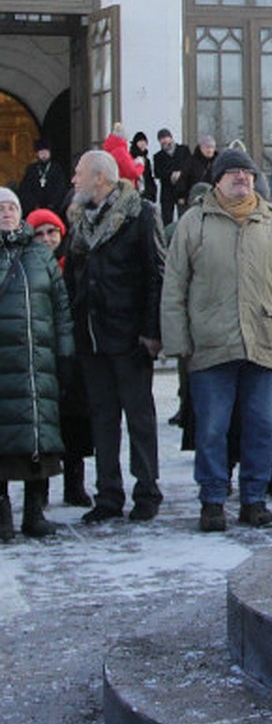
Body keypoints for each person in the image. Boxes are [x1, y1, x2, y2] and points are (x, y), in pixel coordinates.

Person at [161, 148, 272, 532]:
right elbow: (174, 285)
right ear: (217, 180)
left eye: (247, 173)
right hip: (211, 342)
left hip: (263, 339)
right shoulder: (194, 223)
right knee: (212, 427)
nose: (242, 178)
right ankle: (212, 500)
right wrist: (178, 340)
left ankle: (254, 499)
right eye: (233, 173)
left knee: (261, 425)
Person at [65, 150, 165, 524]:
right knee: (102, 418)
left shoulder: (140, 214)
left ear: (99, 178)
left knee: (139, 416)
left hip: (130, 336)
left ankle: (147, 491)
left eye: (78, 173)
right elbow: (73, 277)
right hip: (91, 337)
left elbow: (156, 274)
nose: (73, 180)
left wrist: (152, 331)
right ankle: (108, 494)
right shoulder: (78, 219)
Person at [0, 188, 73, 540]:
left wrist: (65, 353)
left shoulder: (39, 256)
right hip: (3, 362)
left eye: (12, 207)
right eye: (0, 209)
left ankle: (34, 513)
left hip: (37, 360)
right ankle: (2, 517)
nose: (6, 213)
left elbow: (61, 308)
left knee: (37, 437)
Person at [26, 208, 92, 507]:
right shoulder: (26, 266)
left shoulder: (74, 263)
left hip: (73, 354)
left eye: (51, 232)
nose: (46, 239)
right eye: (39, 233)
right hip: (39, 354)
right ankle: (39, 491)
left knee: (75, 422)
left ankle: (74, 484)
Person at [17, 138, 69, 218]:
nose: (44, 155)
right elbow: (25, 189)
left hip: (53, 209)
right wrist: (34, 205)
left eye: (46, 152)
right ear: (37, 154)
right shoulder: (31, 169)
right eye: (41, 152)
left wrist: (52, 205)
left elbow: (60, 188)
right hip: (34, 209)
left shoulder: (56, 168)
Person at [152, 128, 190, 227]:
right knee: (167, 221)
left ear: (171, 138)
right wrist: (171, 174)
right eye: (161, 139)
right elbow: (157, 173)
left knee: (185, 220)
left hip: (182, 190)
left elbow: (190, 166)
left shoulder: (183, 150)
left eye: (165, 137)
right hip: (167, 193)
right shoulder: (158, 156)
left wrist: (180, 173)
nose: (163, 141)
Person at [130, 132, 156, 204]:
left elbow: (149, 177)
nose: (143, 144)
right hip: (135, 191)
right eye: (140, 141)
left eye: (144, 141)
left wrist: (152, 191)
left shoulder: (146, 160)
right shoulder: (131, 157)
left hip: (146, 193)